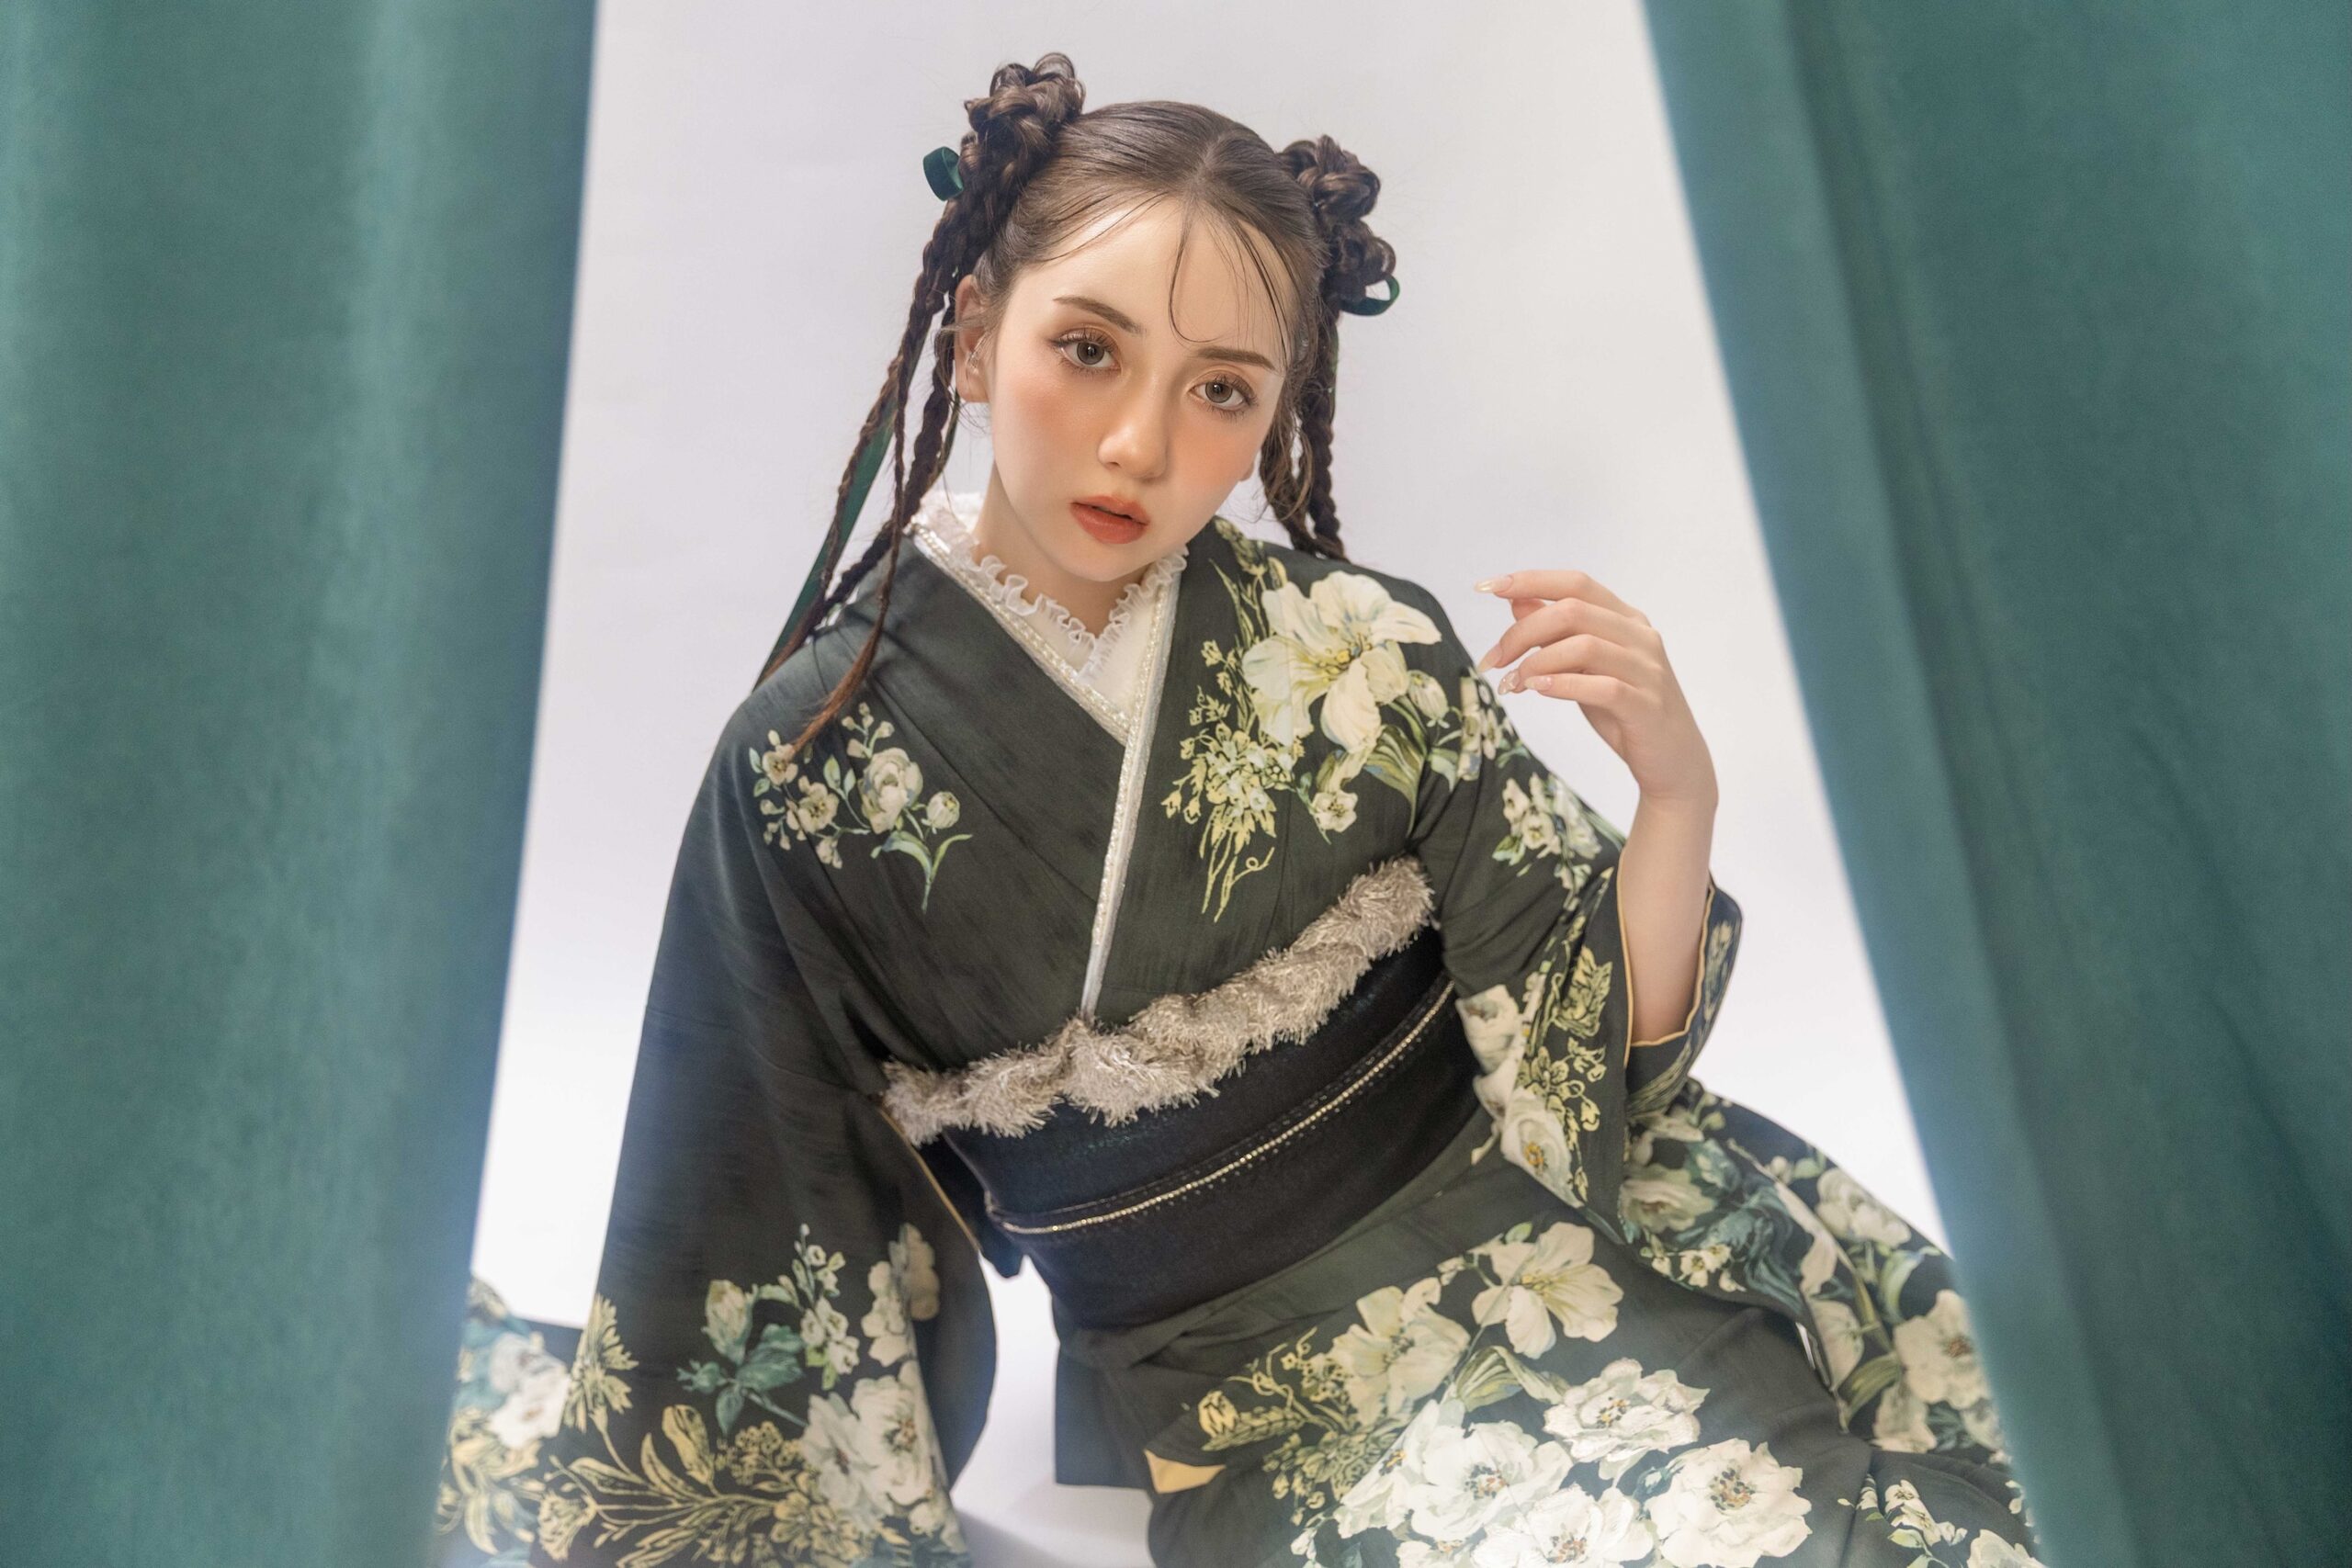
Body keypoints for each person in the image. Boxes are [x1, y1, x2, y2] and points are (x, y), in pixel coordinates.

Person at [437, 51, 2047, 1568]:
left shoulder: (1361, 648)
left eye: (1222, 390)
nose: (1142, 442)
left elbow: (1597, 1067)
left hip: (1568, 1250)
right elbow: (751, 1181)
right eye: (1088, 350)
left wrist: (1680, 791)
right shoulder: (806, 768)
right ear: (975, 332)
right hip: (1257, 1398)